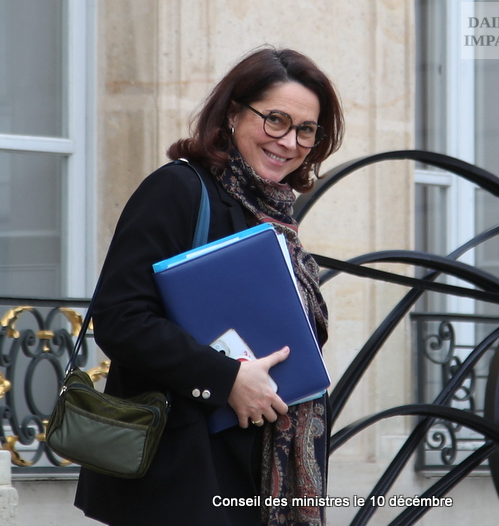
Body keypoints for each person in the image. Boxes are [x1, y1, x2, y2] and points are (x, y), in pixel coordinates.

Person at [74, 46, 344, 526]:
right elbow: (119, 319)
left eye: (306, 129)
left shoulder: (277, 216)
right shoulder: (178, 190)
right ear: (234, 114)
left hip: (261, 476)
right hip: (188, 474)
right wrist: (227, 379)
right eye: (276, 120)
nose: (289, 142)